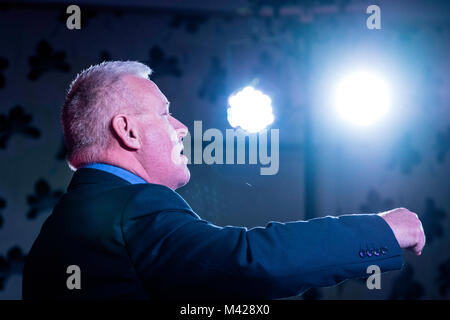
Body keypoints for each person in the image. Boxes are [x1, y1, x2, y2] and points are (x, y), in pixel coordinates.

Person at [22, 61, 426, 300]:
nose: (181, 127)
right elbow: (251, 263)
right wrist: (381, 230)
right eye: (164, 114)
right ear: (127, 131)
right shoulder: (133, 206)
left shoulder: (54, 233)